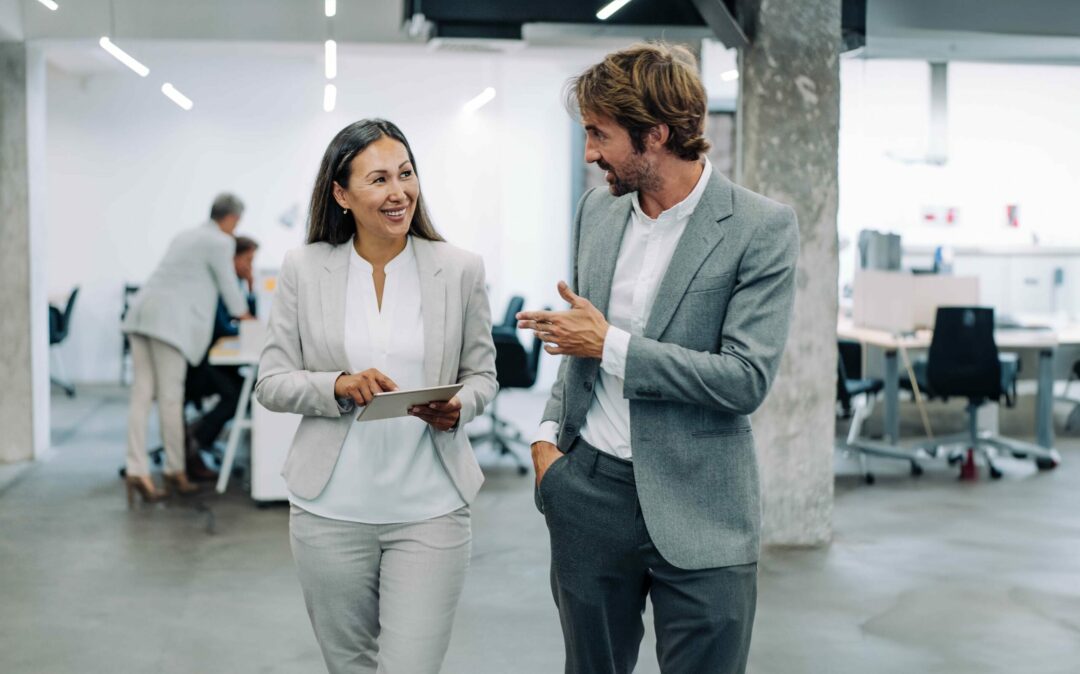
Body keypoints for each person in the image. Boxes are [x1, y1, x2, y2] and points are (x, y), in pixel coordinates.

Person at [517, 43, 800, 674]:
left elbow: (745, 378)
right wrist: (546, 446)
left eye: (600, 134)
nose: (589, 153)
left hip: (705, 504)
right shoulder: (598, 210)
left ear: (657, 134)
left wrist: (610, 344)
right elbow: (578, 342)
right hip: (589, 491)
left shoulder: (759, 227)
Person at [255, 119, 497, 674]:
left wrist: (461, 407)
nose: (399, 192)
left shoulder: (459, 270)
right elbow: (271, 381)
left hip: (431, 509)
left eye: (406, 174)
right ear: (341, 194)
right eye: (379, 178)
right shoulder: (304, 268)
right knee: (351, 666)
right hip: (329, 513)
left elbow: (482, 375)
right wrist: (335, 385)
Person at [122, 193, 255, 504]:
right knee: (170, 398)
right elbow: (228, 288)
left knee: (142, 396)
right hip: (170, 324)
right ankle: (174, 470)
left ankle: (136, 469)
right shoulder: (220, 242)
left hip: (141, 313)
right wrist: (249, 317)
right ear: (232, 219)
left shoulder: (186, 235)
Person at [184, 236, 260, 480]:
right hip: (199, 364)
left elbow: (244, 316)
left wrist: (250, 288)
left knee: (245, 390)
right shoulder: (217, 287)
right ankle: (195, 441)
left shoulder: (234, 285)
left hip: (210, 360)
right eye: (247, 259)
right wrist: (249, 328)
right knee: (237, 394)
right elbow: (223, 328)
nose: (250, 266)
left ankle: (199, 434)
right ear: (233, 259)